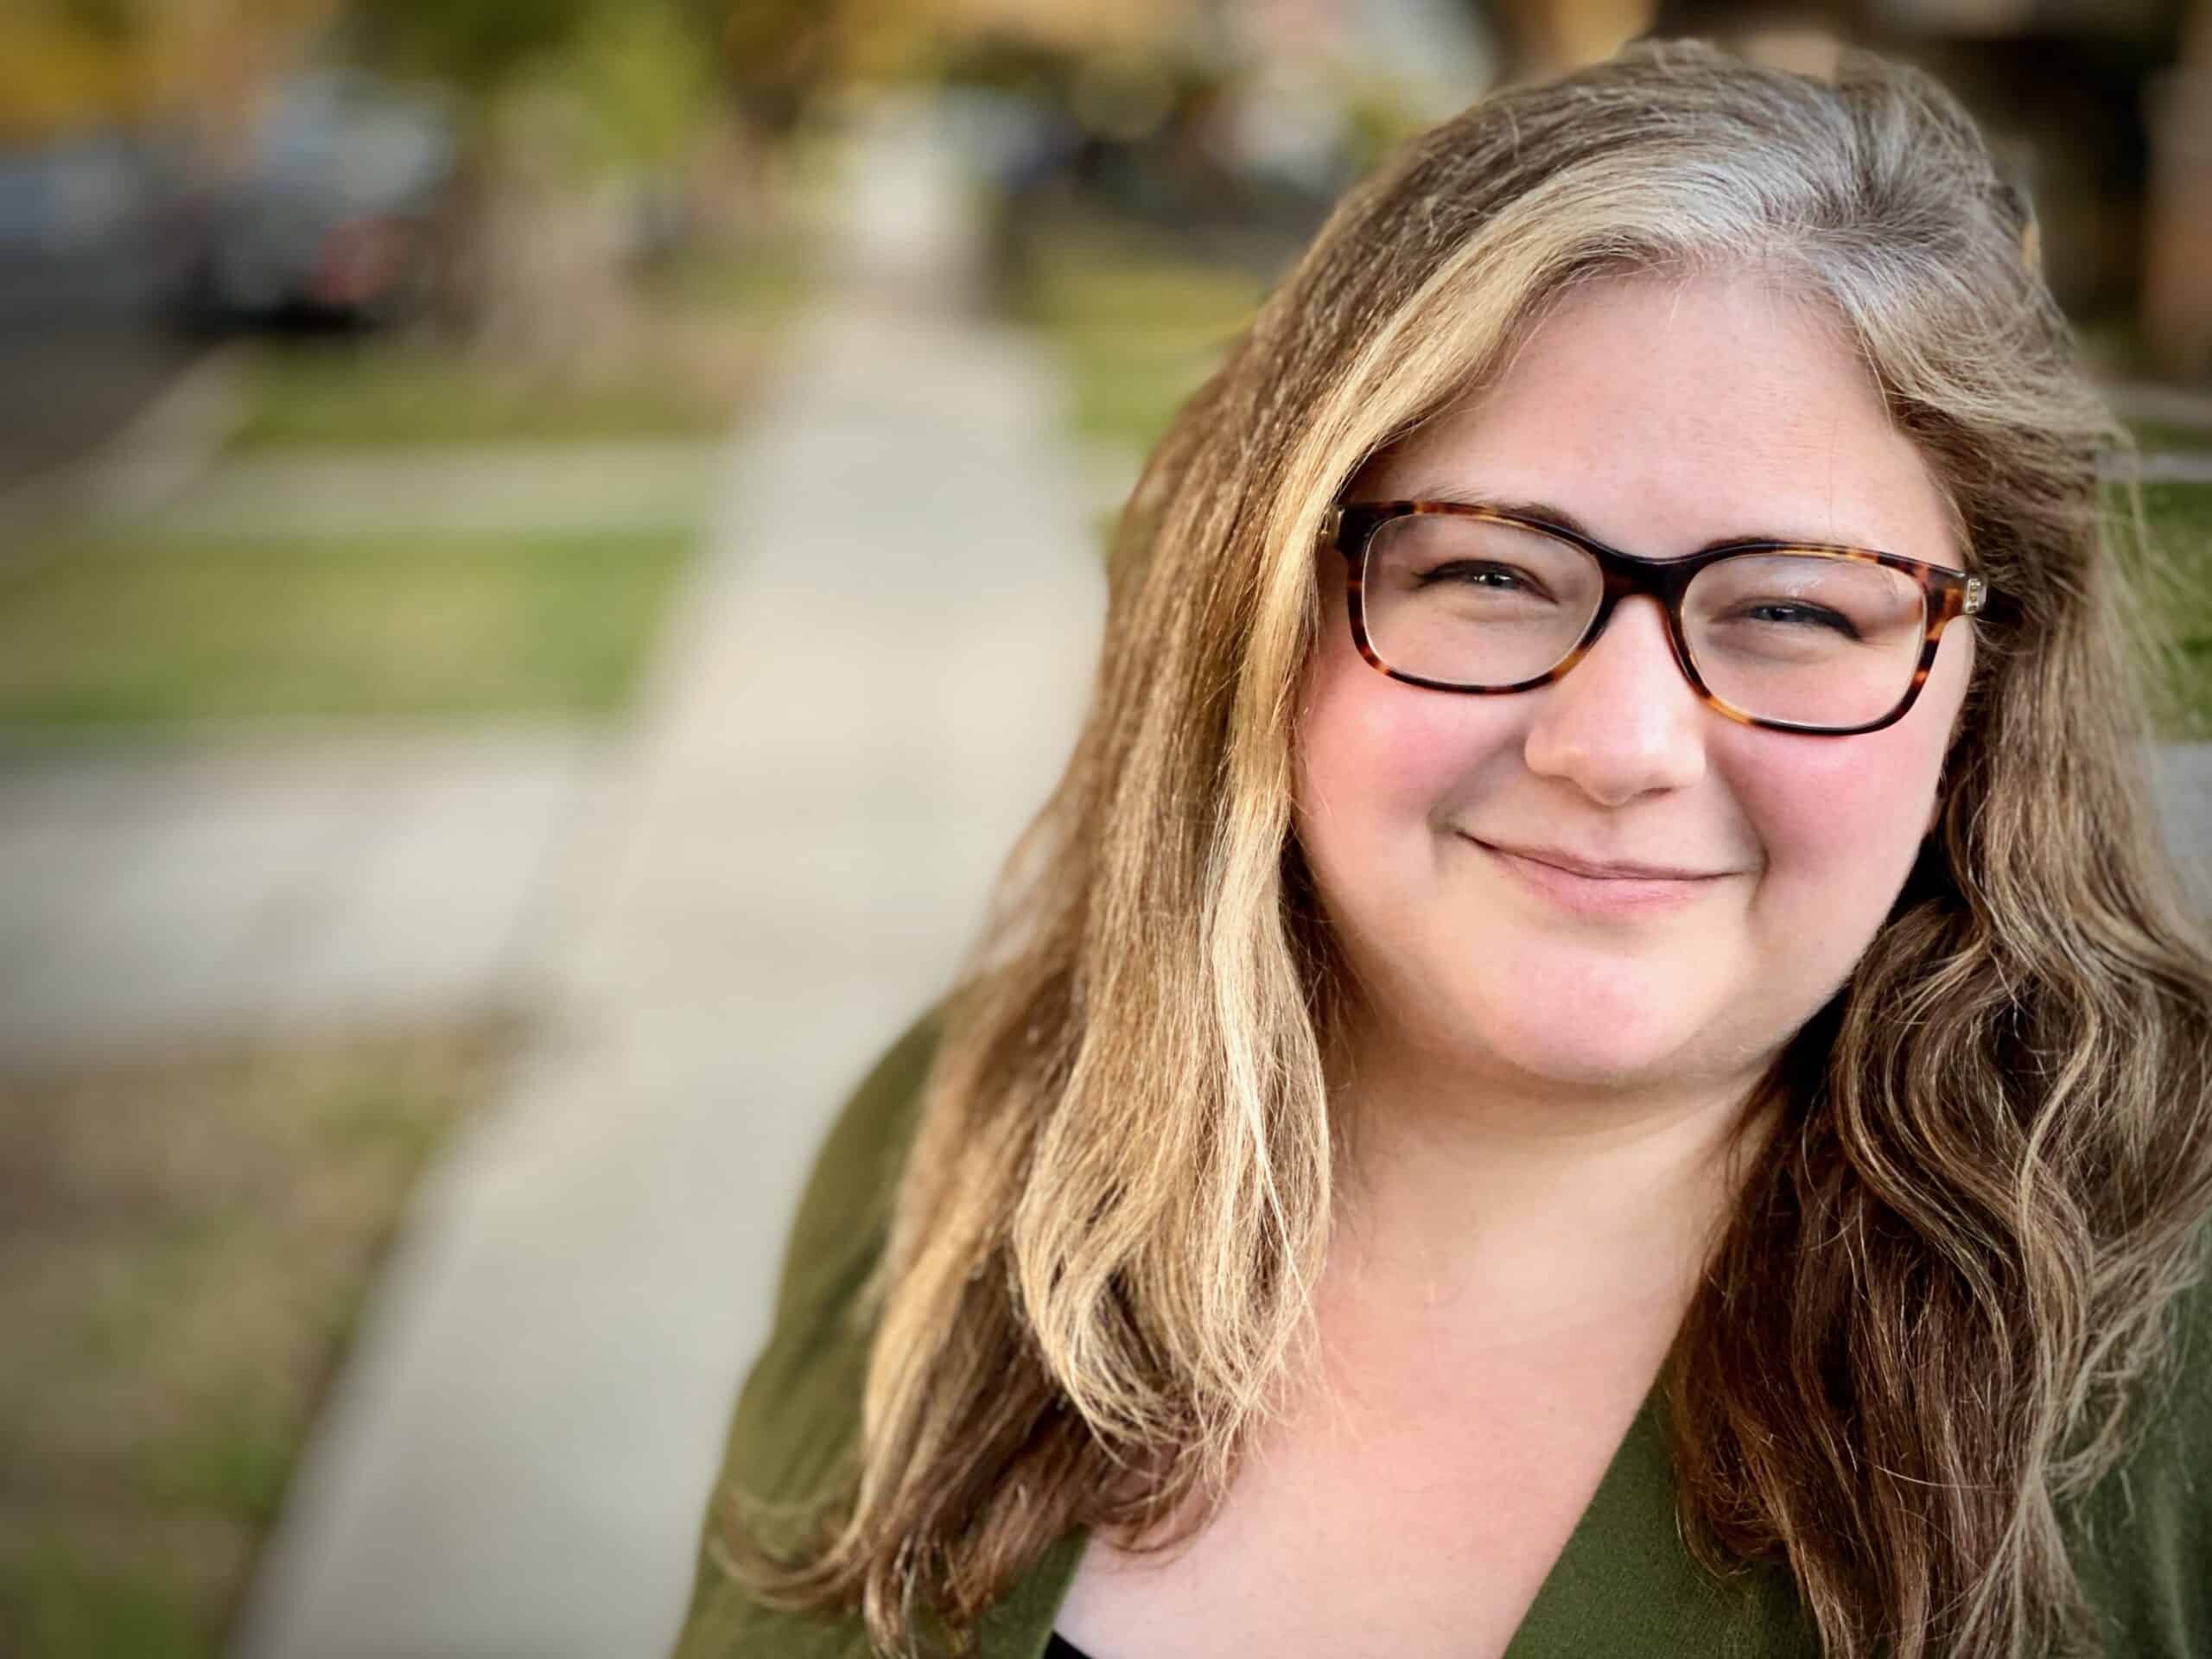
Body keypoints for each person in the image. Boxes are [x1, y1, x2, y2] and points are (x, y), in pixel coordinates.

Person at [671, 38, 2212, 1659]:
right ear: (1267, 608)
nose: (1618, 747)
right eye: (1487, 575)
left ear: (1984, 690)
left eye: (1795, 610)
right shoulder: (957, 1142)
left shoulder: (2177, 1348)